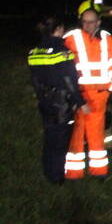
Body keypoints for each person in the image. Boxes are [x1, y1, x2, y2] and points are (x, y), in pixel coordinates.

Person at [62, 0, 112, 179]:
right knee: (77, 131)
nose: (87, 25)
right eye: (84, 21)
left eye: (91, 21)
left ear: (98, 22)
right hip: (79, 93)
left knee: (96, 131)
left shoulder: (108, 39)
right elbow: (63, 64)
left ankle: (99, 171)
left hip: (100, 94)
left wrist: (110, 87)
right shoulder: (71, 38)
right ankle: (73, 172)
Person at [27, 16, 88, 184]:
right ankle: (57, 177)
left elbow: (35, 80)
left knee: (49, 138)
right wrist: (81, 102)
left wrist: (41, 97)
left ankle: (48, 172)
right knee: (60, 142)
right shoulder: (63, 52)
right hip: (62, 104)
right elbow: (70, 81)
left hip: (44, 101)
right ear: (59, 30)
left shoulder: (34, 52)